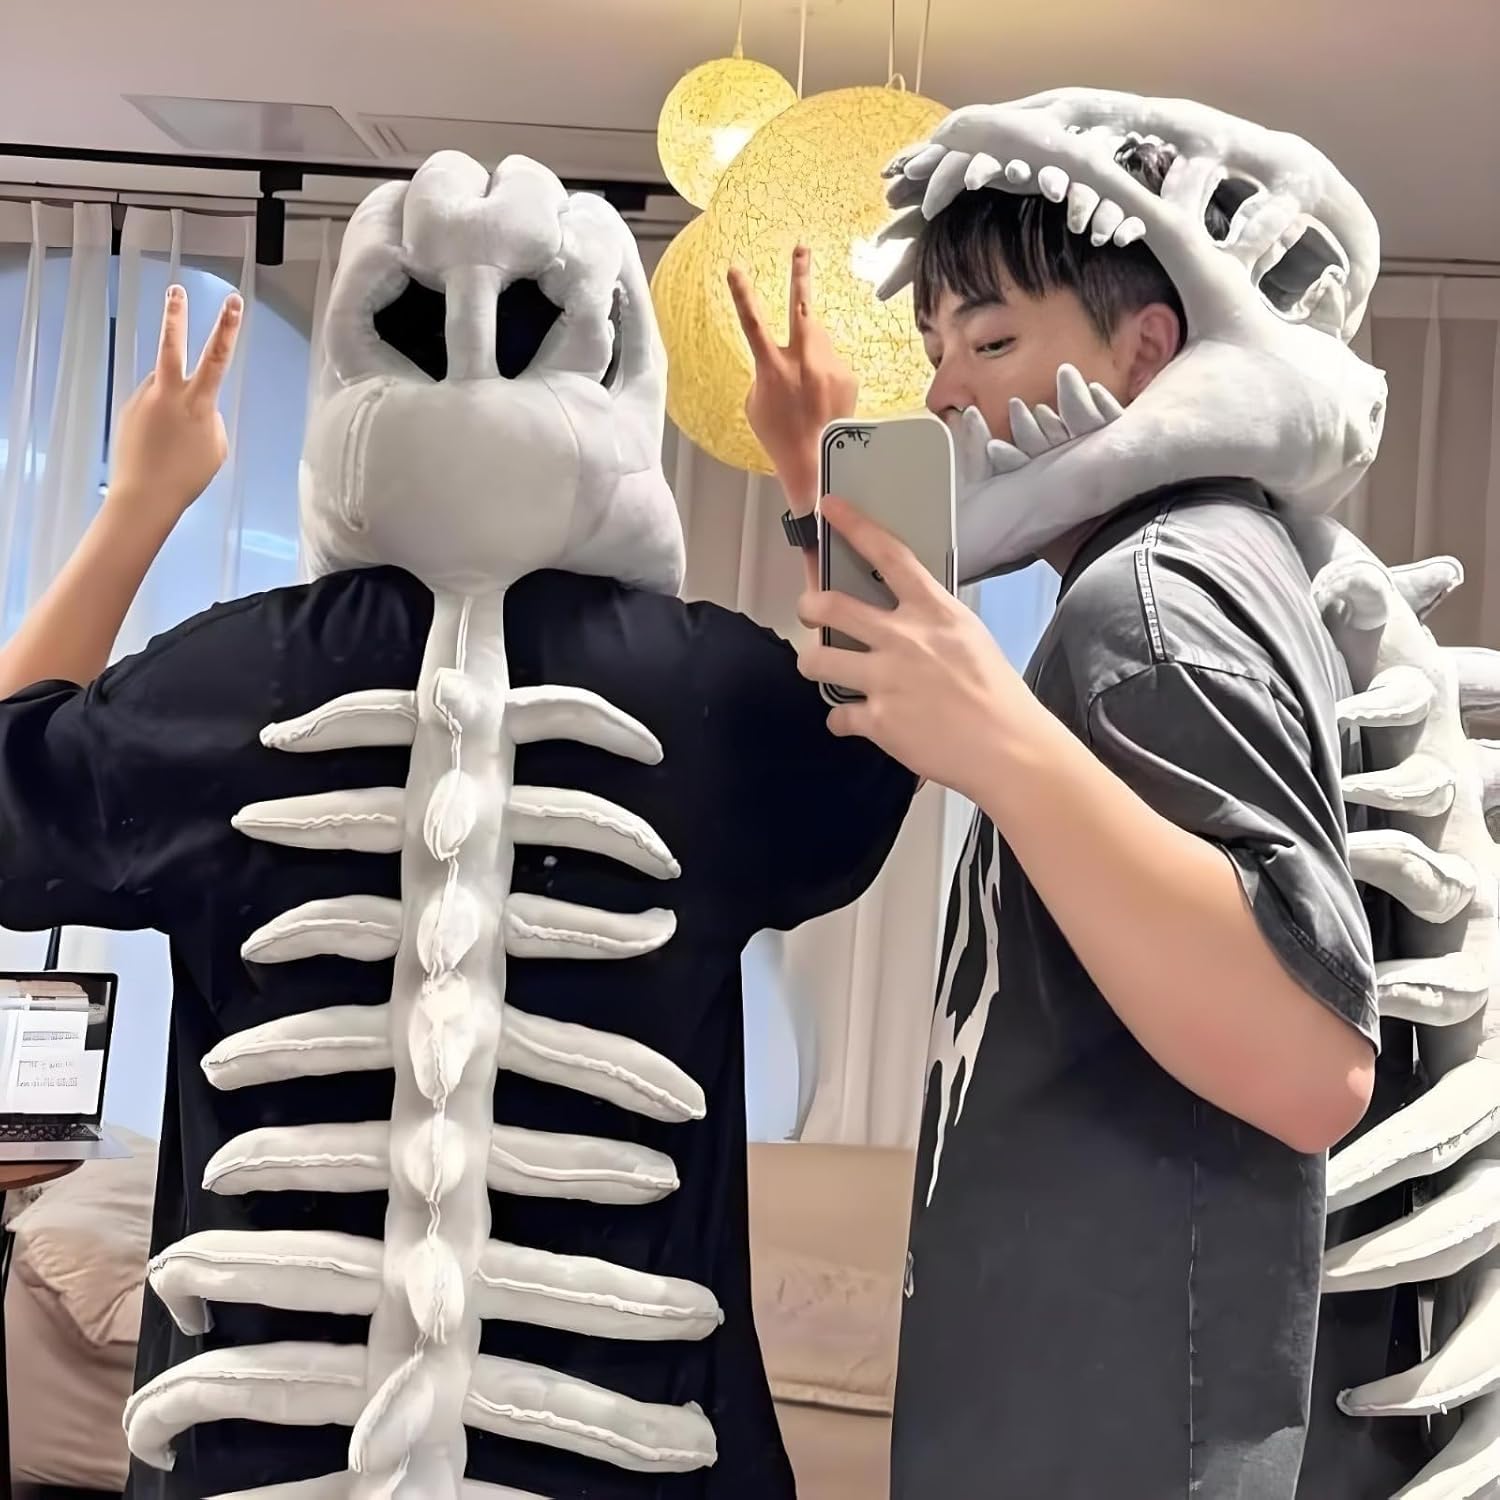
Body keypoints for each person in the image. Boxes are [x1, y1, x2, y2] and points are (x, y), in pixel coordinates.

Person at [0, 153, 914, 1500]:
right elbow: (900, 725)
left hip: (254, 1459)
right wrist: (821, 469)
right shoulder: (713, 691)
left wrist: (141, 503)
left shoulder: (224, 681)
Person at [731, 121, 1384, 1495]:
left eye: (991, 340)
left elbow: (1309, 1061)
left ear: (1147, 351)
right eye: (936, 349)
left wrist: (1004, 747)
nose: (943, 392)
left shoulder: (1149, 605)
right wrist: (813, 482)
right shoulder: (1170, 580)